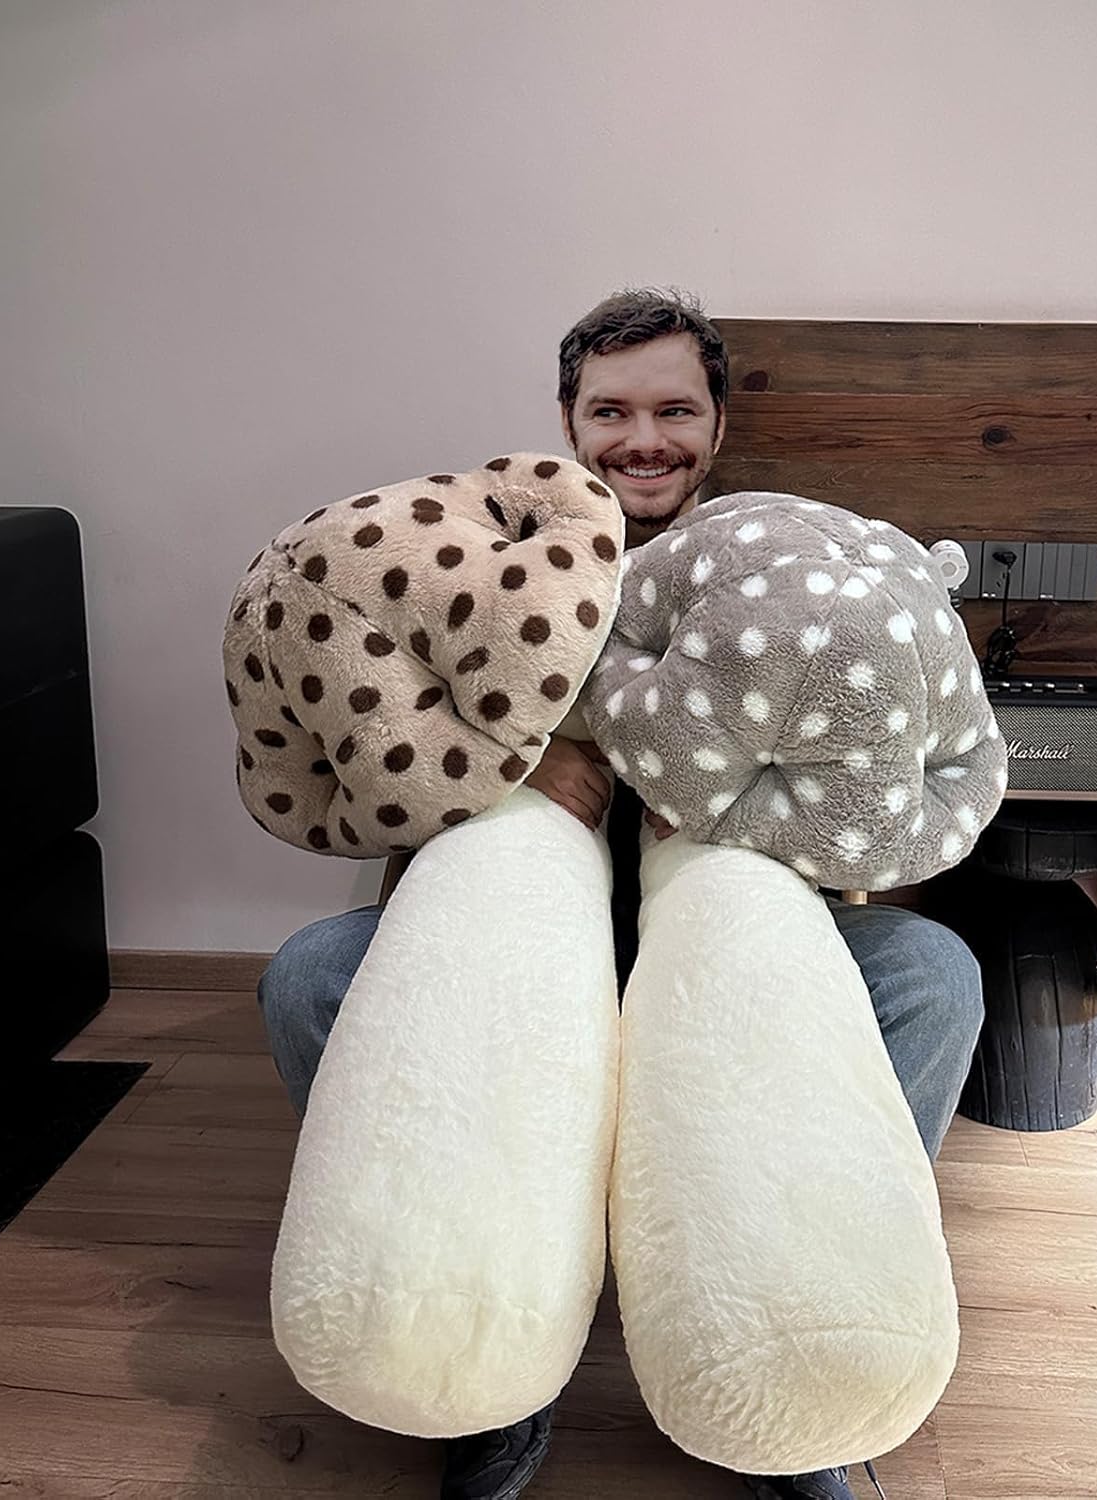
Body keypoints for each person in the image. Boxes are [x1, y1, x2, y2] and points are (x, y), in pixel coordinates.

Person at [257, 288, 985, 1500]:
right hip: (516, 921)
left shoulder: (784, 570)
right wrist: (512, 768)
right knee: (308, 977)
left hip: (731, 919)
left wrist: (734, 807)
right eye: (611, 412)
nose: (643, 440)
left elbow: (858, 802)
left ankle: (796, 1317)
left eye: (674, 411)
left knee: (934, 974)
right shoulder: (488, 566)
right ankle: (480, 1331)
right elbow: (390, 744)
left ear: (717, 424)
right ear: (568, 420)